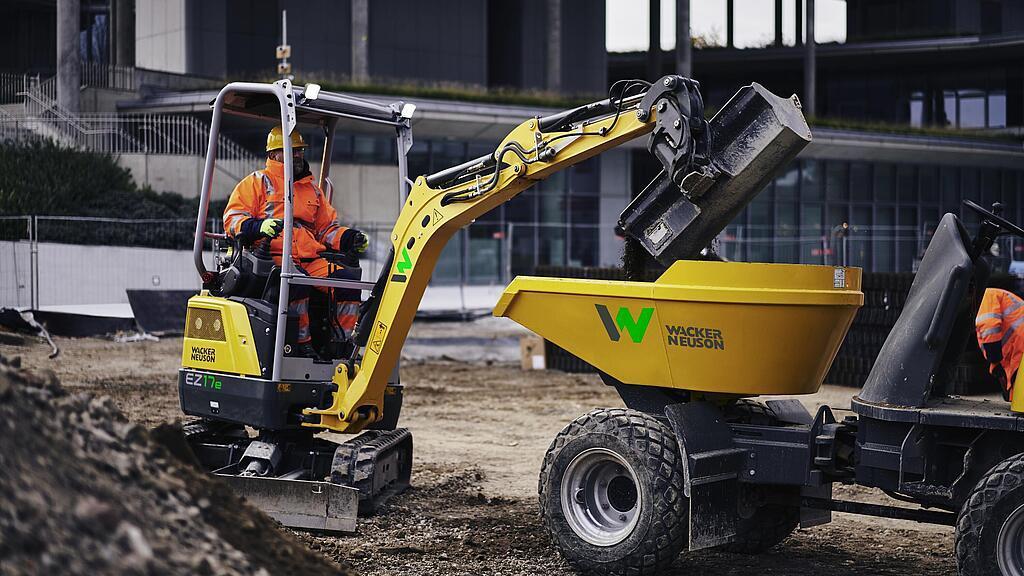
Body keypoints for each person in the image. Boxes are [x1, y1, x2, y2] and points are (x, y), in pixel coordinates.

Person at [223, 126, 369, 357]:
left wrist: (350, 238)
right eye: (291, 150)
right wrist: (258, 227)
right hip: (273, 258)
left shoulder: (312, 190)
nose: (298, 155)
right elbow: (232, 218)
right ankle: (302, 345)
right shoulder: (257, 182)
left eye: (300, 150)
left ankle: (341, 345)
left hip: (310, 259)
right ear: (273, 154)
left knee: (346, 283)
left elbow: (326, 229)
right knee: (295, 282)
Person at [976, 287, 1024, 401]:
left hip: (1020, 346)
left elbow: (989, 327)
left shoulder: (989, 296)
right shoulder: (999, 297)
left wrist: (994, 359)